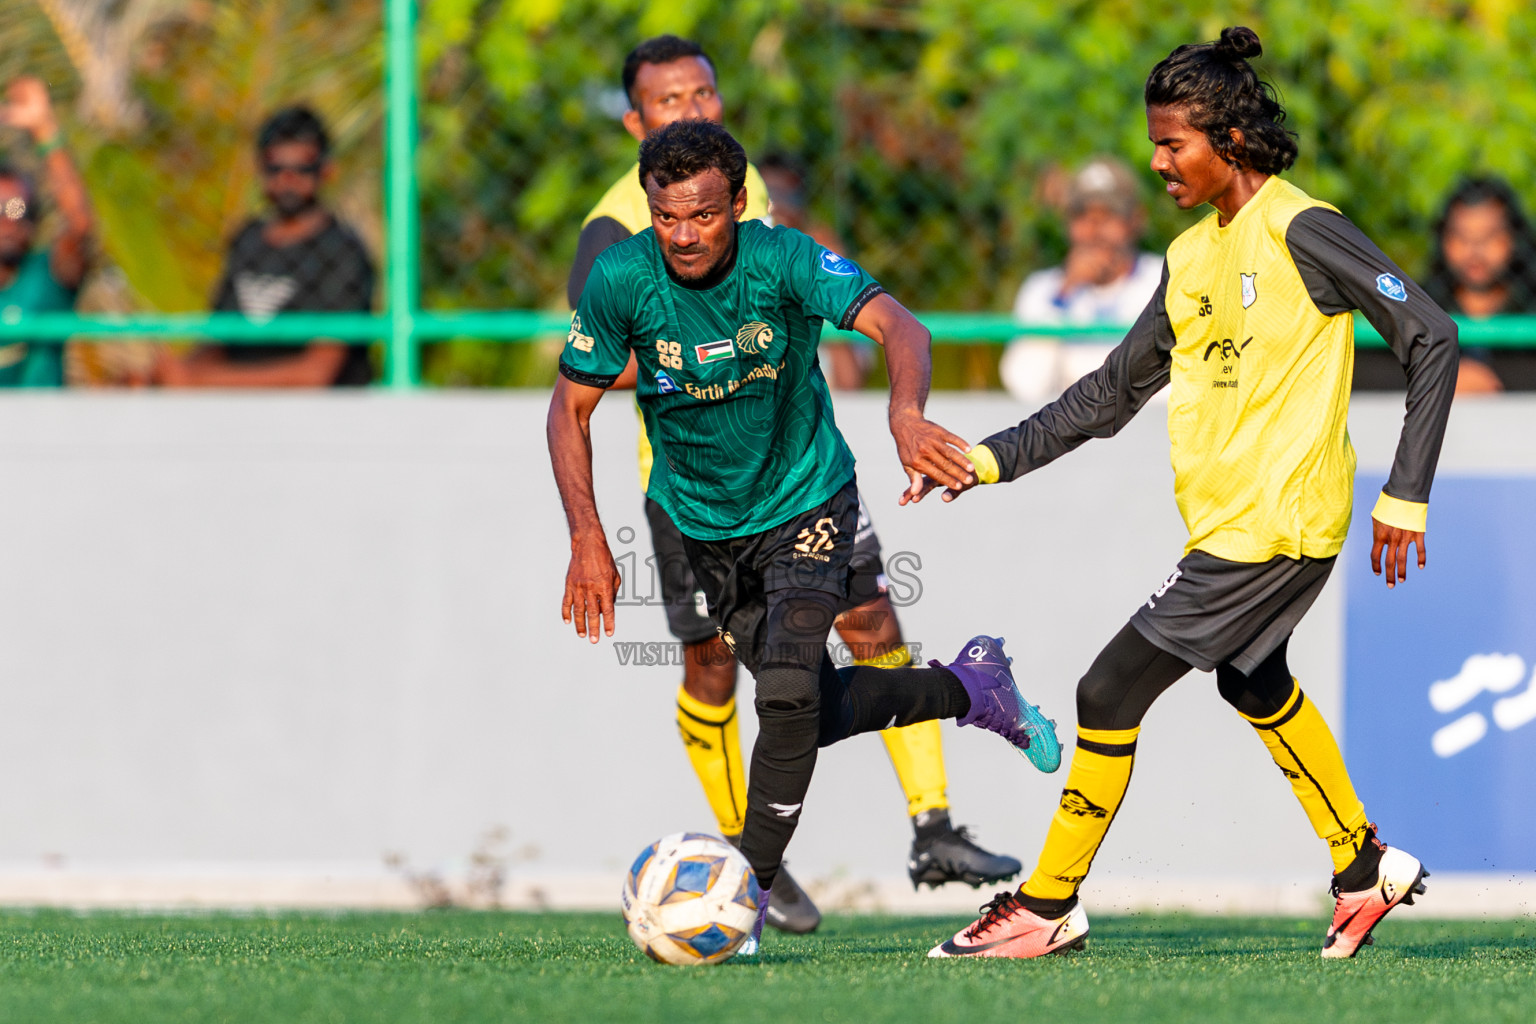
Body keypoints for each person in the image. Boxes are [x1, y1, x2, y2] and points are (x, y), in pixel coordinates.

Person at [913, 27, 1457, 960]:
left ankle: (1045, 906)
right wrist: (987, 458)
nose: (1158, 161)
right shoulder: (1189, 257)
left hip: (1276, 526)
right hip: (1234, 528)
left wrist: (1405, 493)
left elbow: (1431, 335)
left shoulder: (1303, 229)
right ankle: (1365, 871)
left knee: (1107, 688)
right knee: (1254, 681)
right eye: (1157, 142)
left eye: (1174, 144)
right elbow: (1108, 393)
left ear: (1231, 141)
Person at [549, 119, 1061, 954]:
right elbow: (569, 407)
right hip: (705, 527)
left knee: (783, 694)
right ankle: (972, 689)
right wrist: (587, 537)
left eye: (702, 216)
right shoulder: (620, 278)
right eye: (666, 216)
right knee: (809, 713)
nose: (682, 235)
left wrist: (904, 415)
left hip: (808, 501)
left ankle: (739, 897)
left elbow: (902, 326)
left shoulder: (783, 259)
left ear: (739, 205)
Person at [156, 106, 374, 387]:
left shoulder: (343, 251)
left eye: (302, 167)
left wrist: (206, 381)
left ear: (327, 170)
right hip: (236, 410)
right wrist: (171, 376)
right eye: (276, 167)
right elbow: (216, 341)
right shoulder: (248, 240)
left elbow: (315, 375)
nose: (287, 179)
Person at [1000, 157, 1163, 403]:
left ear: (1135, 220)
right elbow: (1025, 385)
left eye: (1108, 215)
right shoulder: (1044, 290)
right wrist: (1064, 294)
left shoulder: (1165, 280)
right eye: (1081, 215)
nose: (1094, 228)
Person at [0, 77, 94, 387]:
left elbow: (79, 225)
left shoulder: (47, 276)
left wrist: (45, 130)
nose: (9, 220)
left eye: (18, 209)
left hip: (39, 433)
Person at [757, 152, 873, 392]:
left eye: (789, 198)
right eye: (769, 197)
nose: (777, 209)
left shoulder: (818, 254)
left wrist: (830, 291)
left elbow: (849, 383)